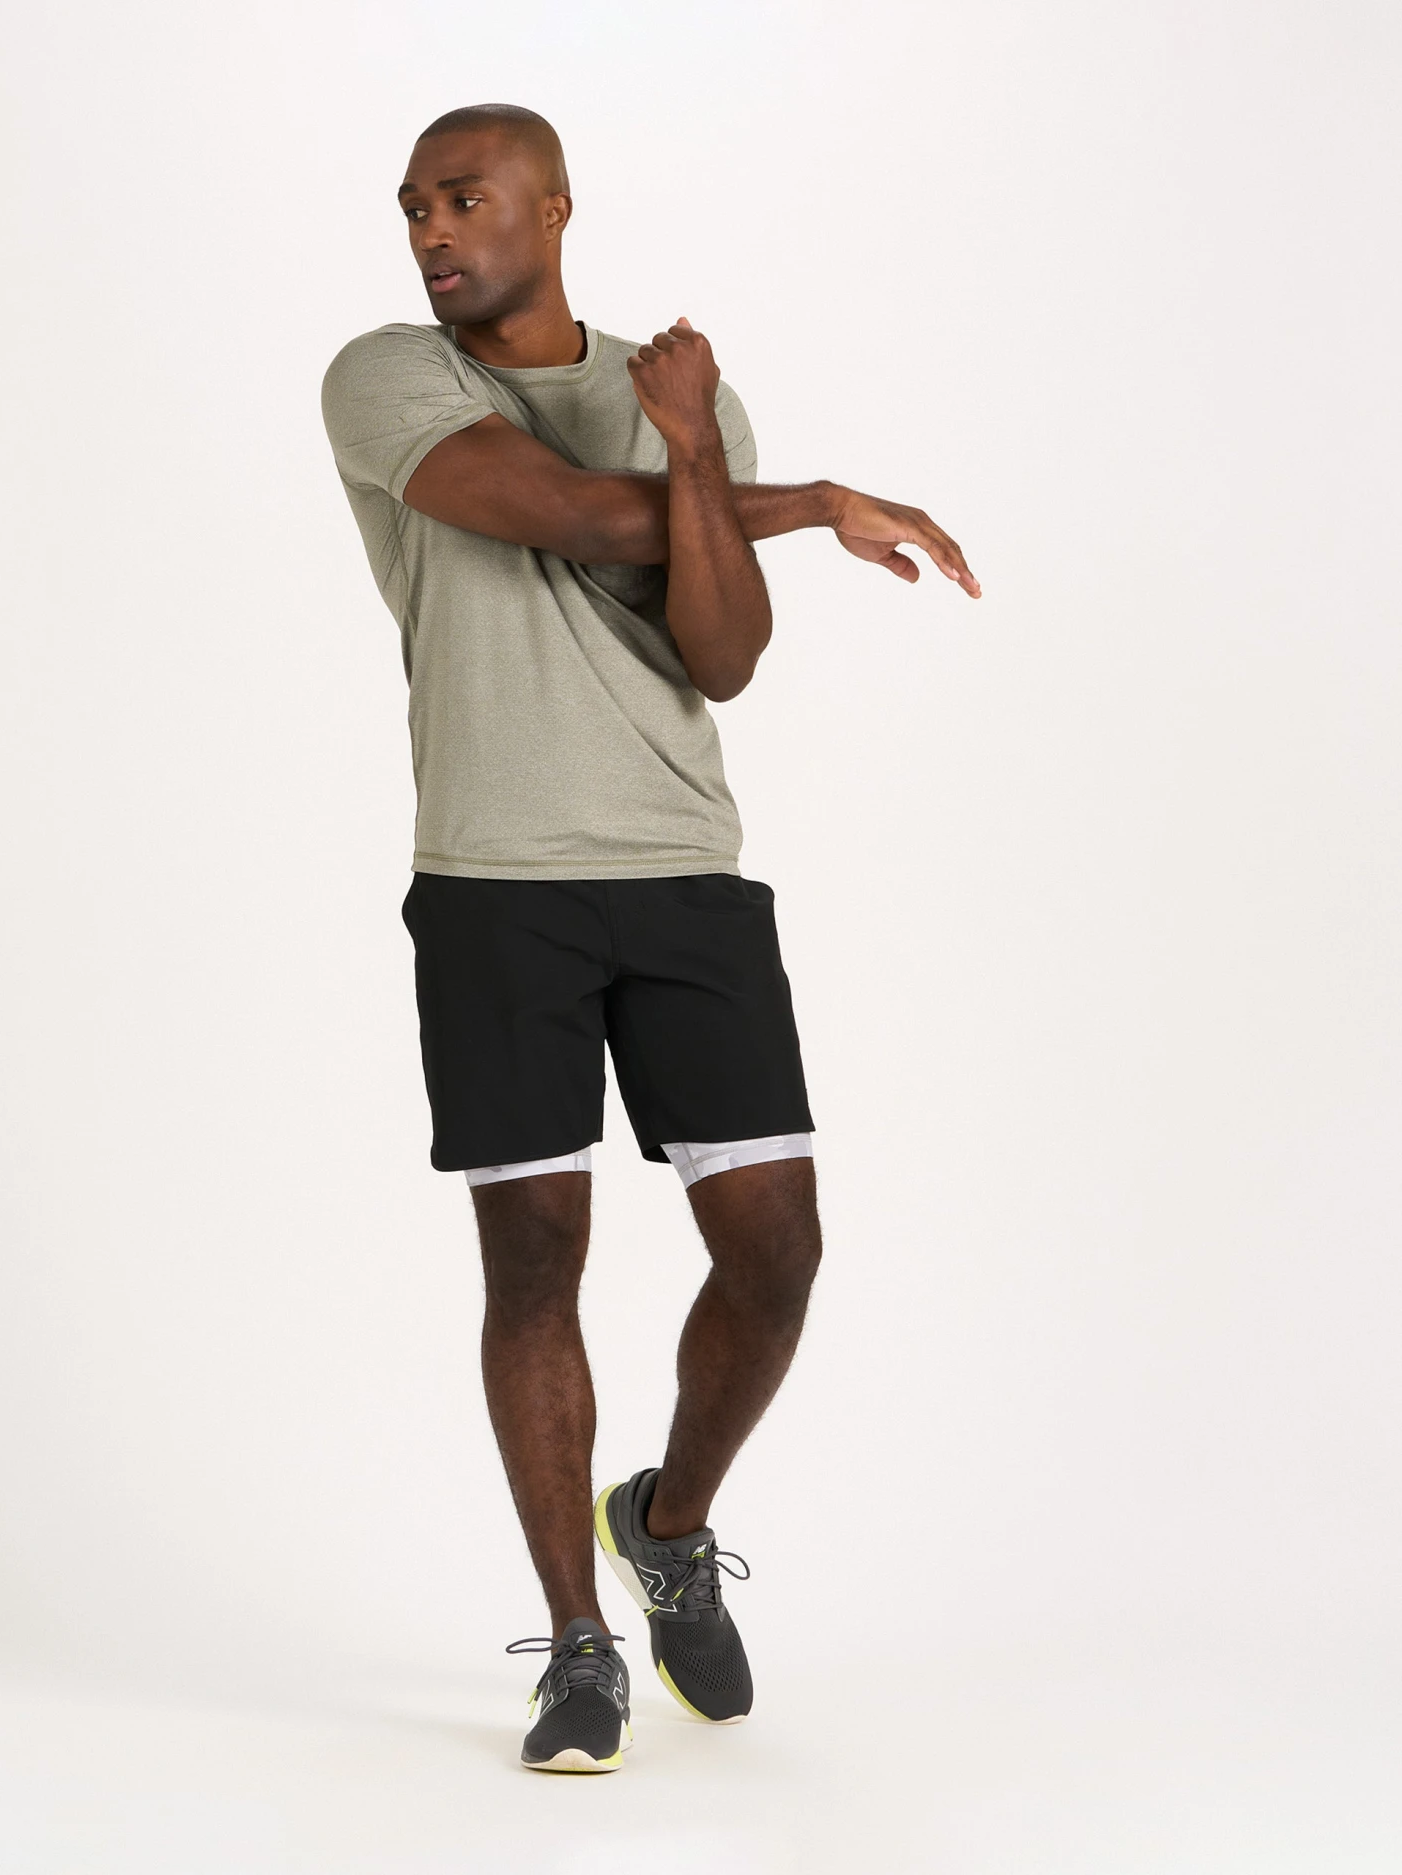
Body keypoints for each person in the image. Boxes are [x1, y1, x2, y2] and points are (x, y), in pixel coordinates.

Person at [320, 101, 980, 1774]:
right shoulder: (386, 378)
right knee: (535, 1259)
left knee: (777, 1251)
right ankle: (578, 1642)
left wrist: (699, 454)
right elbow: (561, 510)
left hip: (684, 869)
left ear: (553, 207)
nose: (429, 230)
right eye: (412, 207)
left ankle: (666, 1524)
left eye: (462, 198)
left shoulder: (680, 398)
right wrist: (807, 495)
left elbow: (724, 656)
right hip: (493, 877)